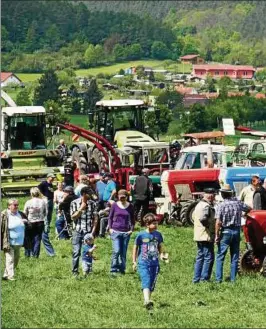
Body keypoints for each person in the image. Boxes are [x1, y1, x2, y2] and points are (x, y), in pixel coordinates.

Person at [215, 184, 250, 283]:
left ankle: (218, 279)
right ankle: (233, 279)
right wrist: (244, 214)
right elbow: (249, 208)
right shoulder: (238, 203)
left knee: (220, 256)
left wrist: (217, 235)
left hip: (225, 231)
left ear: (222, 194)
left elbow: (218, 222)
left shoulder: (220, 205)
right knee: (234, 256)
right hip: (236, 231)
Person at [132, 213, 167, 310]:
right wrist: (134, 261)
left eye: (157, 223)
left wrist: (162, 255)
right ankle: (146, 300)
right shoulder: (141, 235)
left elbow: (160, 247)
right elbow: (135, 248)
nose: (156, 225)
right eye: (154, 224)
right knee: (146, 279)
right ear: (147, 224)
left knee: (152, 282)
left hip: (155, 263)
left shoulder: (158, 235)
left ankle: (148, 301)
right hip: (143, 262)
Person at [70, 186, 99, 278]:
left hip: (88, 231)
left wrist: (93, 232)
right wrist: (81, 209)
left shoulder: (92, 204)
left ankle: (88, 271)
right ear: (83, 194)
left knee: (88, 251)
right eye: (88, 194)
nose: (90, 196)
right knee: (76, 252)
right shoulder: (74, 203)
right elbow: (73, 217)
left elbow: (95, 219)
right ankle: (75, 271)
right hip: (77, 230)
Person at [108, 189, 134, 275]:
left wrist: (131, 230)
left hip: (126, 232)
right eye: (120, 197)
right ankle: (113, 269)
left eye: (124, 197)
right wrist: (110, 228)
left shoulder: (130, 206)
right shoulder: (114, 205)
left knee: (123, 252)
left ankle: (122, 269)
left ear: (127, 197)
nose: (122, 199)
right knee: (116, 251)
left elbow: (133, 219)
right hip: (115, 231)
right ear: (118, 197)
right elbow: (110, 217)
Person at [1, 199, 28, 281]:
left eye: (17, 205)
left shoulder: (20, 214)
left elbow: (26, 224)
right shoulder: (4, 215)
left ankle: (6, 274)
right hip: (9, 242)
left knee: (16, 260)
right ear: (9, 206)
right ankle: (11, 276)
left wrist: (25, 222)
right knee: (10, 259)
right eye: (14, 205)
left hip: (19, 242)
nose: (16, 206)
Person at [193, 189, 216, 283]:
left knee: (200, 257)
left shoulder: (198, 205)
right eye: (213, 195)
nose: (214, 197)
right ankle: (204, 279)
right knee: (208, 257)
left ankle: (196, 279)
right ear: (210, 196)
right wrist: (209, 227)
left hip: (198, 234)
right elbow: (203, 219)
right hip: (205, 235)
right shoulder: (206, 206)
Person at [23, 187, 47, 257]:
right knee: (37, 239)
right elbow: (46, 212)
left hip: (30, 222)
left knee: (29, 238)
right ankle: (35, 255)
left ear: (31, 193)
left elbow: (25, 213)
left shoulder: (28, 202)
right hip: (40, 222)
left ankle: (28, 254)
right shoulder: (42, 201)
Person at [38, 173, 56, 256]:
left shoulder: (51, 184)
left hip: (51, 200)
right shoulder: (44, 183)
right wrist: (42, 196)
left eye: (53, 178)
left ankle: (47, 225)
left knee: (50, 215)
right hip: (47, 200)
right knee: (47, 214)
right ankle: (46, 227)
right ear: (48, 177)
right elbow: (38, 189)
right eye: (52, 177)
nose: (53, 179)